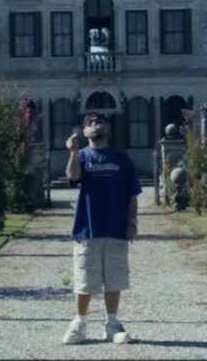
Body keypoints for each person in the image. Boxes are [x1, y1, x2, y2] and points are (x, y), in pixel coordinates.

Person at [61, 112, 141, 345]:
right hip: (87, 227)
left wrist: (132, 222)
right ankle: (79, 324)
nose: (95, 125)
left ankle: (112, 324)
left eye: (99, 122)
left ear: (109, 129)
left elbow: (132, 194)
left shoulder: (121, 158)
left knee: (114, 279)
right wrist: (73, 152)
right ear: (84, 131)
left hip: (116, 227)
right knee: (84, 279)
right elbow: (73, 177)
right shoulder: (82, 156)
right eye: (90, 123)